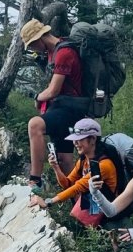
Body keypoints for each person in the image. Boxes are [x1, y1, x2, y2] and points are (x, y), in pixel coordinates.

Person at [20, 18, 85, 187]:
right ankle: (78, 198)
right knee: (64, 160)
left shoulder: (64, 53)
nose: (33, 49)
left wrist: (37, 97)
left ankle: (35, 180)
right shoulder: (53, 51)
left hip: (69, 109)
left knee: (35, 125)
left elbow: (53, 90)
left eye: (32, 45)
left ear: (39, 39)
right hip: (63, 108)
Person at [28, 118, 120, 227]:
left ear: (93, 139)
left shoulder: (104, 165)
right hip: (96, 212)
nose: (75, 143)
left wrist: (48, 202)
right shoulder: (83, 161)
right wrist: (56, 167)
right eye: (74, 139)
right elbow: (67, 184)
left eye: (79, 139)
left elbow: (78, 187)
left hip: (110, 218)